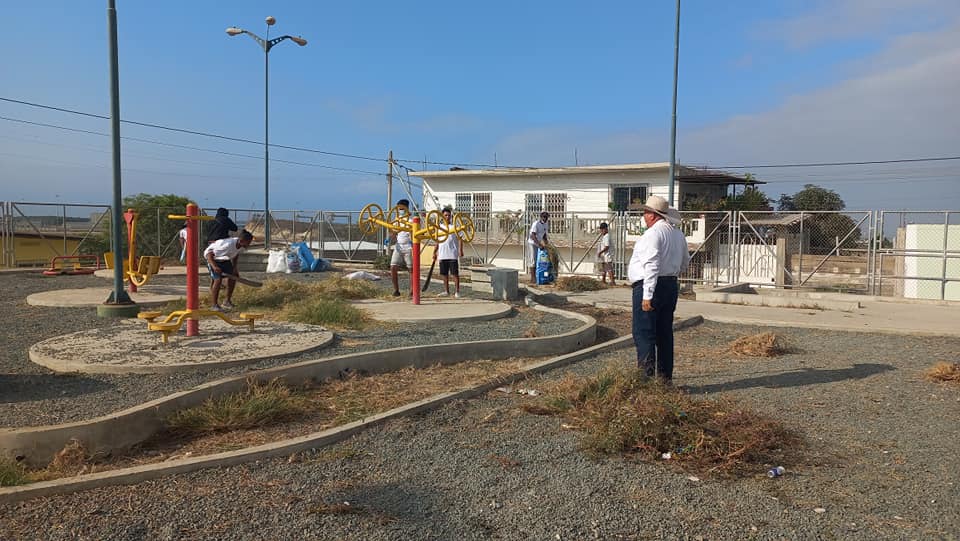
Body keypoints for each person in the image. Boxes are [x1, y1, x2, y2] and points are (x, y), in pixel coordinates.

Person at [627, 196, 690, 384]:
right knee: (664, 333)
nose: (644, 217)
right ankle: (664, 378)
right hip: (670, 284)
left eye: (645, 213)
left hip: (650, 285)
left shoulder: (652, 234)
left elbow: (651, 265)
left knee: (644, 333)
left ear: (653, 215)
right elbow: (685, 262)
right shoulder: (677, 234)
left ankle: (646, 379)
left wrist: (647, 295)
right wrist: (672, 272)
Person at [204, 229, 253, 311]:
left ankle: (227, 302)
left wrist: (234, 268)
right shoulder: (227, 245)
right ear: (241, 241)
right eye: (248, 242)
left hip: (224, 259)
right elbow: (209, 255)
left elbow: (235, 255)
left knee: (233, 276)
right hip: (212, 260)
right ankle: (214, 305)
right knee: (218, 280)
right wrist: (215, 267)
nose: (249, 244)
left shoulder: (241, 246)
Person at [434, 206, 463, 297]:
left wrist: (460, 250)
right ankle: (446, 291)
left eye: (449, 215)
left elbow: (460, 239)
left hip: (452, 254)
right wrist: (434, 252)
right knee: (444, 274)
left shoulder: (454, 227)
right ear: (442, 216)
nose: (447, 217)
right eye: (445, 215)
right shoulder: (439, 228)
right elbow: (437, 241)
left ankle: (457, 292)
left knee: (455, 274)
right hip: (442, 255)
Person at [390, 199, 413, 297]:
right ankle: (396, 290)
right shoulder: (397, 220)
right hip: (398, 246)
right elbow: (393, 233)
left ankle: (412, 291)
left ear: (406, 208)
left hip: (409, 247)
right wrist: (390, 237)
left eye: (401, 208)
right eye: (398, 208)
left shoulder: (411, 220)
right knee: (393, 267)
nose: (400, 210)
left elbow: (414, 234)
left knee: (411, 269)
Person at [527, 211, 549, 282]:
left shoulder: (546, 224)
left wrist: (546, 243)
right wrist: (539, 245)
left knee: (539, 260)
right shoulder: (536, 224)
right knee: (533, 259)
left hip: (538, 243)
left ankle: (538, 276)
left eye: (546, 217)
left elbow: (544, 234)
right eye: (544, 217)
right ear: (541, 217)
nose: (545, 219)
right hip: (533, 243)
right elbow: (532, 235)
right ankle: (533, 278)